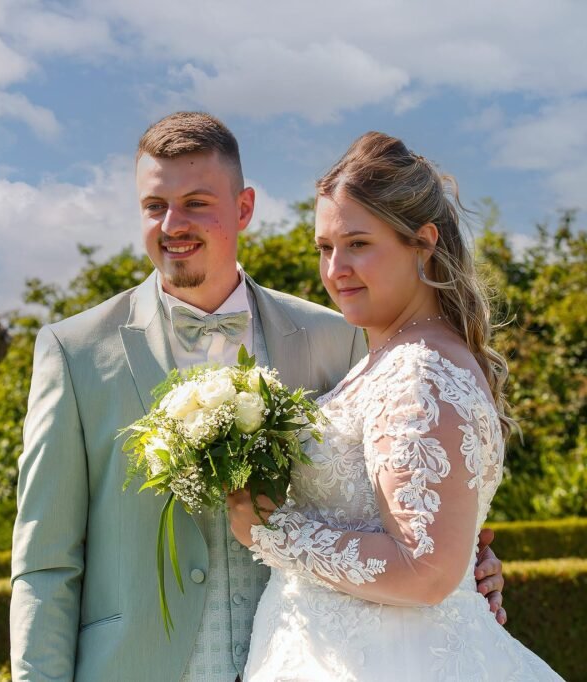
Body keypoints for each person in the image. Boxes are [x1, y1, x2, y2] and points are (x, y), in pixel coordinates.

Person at [10, 113, 505, 681]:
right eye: (154, 205)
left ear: (244, 208)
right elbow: (45, 564)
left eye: (196, 203)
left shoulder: (340, 334)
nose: (173, 224)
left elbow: (411, 498)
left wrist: (465, 565)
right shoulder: (74, 353)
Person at [229, 131, 558, 680]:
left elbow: (426, 571)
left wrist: (269, 532)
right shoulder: (390, 358)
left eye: (358, 243)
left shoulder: (420, 370)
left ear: (423, 243)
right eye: (324, 248)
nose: (335, 269)